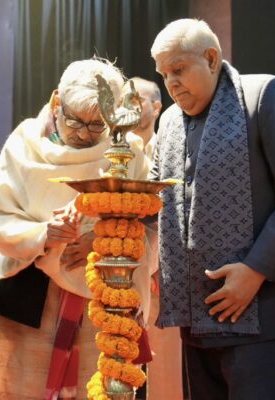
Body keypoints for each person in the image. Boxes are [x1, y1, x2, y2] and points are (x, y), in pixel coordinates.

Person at [149, 19, 275, 400]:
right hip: (196, 319)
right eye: (164, 75)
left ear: (212, 58)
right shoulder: (169, 122)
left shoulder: (265, 95)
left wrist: (255, 270)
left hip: (264, 314)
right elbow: (153, 198)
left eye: (178, 69)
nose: (171, 84)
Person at [0, 58, 150, 399]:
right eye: (74, 121)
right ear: (57, 101)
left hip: (101, 301)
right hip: (27, 295)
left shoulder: (127, 155)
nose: (83, 134)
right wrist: (44, 235)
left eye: (96, 125)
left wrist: (101, 240)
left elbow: (149, 225)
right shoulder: (24, 144)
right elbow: (1, 217)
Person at [126, 76, 183, 400]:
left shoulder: (171, 148)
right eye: (125, 100)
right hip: (120, 272)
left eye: (138, 100)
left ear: (157, 107)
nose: (129, 107)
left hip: (164, 277)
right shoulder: (114, 152)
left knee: (165, 373)